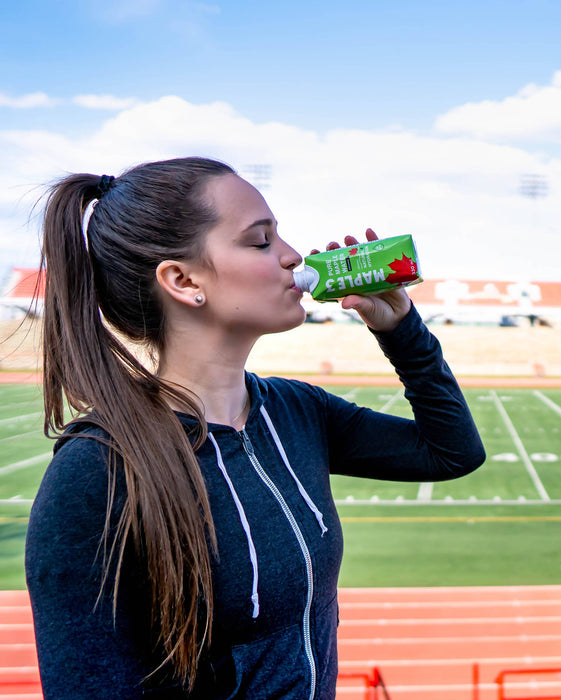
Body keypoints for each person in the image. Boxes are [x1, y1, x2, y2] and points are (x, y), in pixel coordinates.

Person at [25, 156, 486, 700]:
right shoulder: (96, 471)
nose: (292, 256)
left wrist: (401, 330)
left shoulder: (297, 410)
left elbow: (450, 452)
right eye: (261, 241)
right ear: (183, 281)